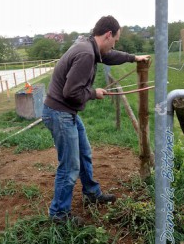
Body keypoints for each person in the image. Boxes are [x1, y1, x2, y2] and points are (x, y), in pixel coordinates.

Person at [42, 15, 150, 224]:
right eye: (115, 39)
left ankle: (91, 192)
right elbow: (71, 92)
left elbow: (109, 56)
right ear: (108, 35)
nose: (115, 44)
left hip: (66, 112)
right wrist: (94, 93)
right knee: (69, 166)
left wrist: (133, 58)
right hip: (60, 113)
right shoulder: (85, 54)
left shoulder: (89, 45)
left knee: (84, 153)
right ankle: (58, 214)